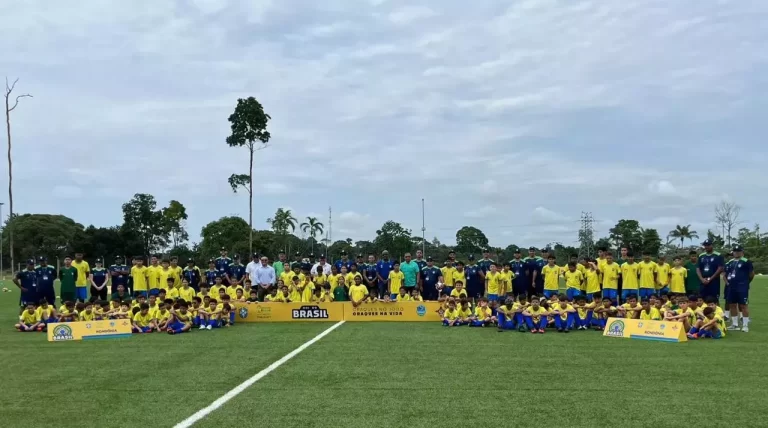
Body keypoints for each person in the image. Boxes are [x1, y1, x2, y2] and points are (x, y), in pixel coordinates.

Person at [724, 245, 754, 332]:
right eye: (735, 251)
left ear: (742, 252)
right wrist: (727, 282)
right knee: (732, 305)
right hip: (731, 286)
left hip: (742, 287)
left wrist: (746, 283)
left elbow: (751, 274)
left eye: (738, 251)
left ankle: (745, 325)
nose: (736, 253)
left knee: (743, 305)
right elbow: (726, 274)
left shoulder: (746, 261)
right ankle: (735, 324)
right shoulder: (730, 262)